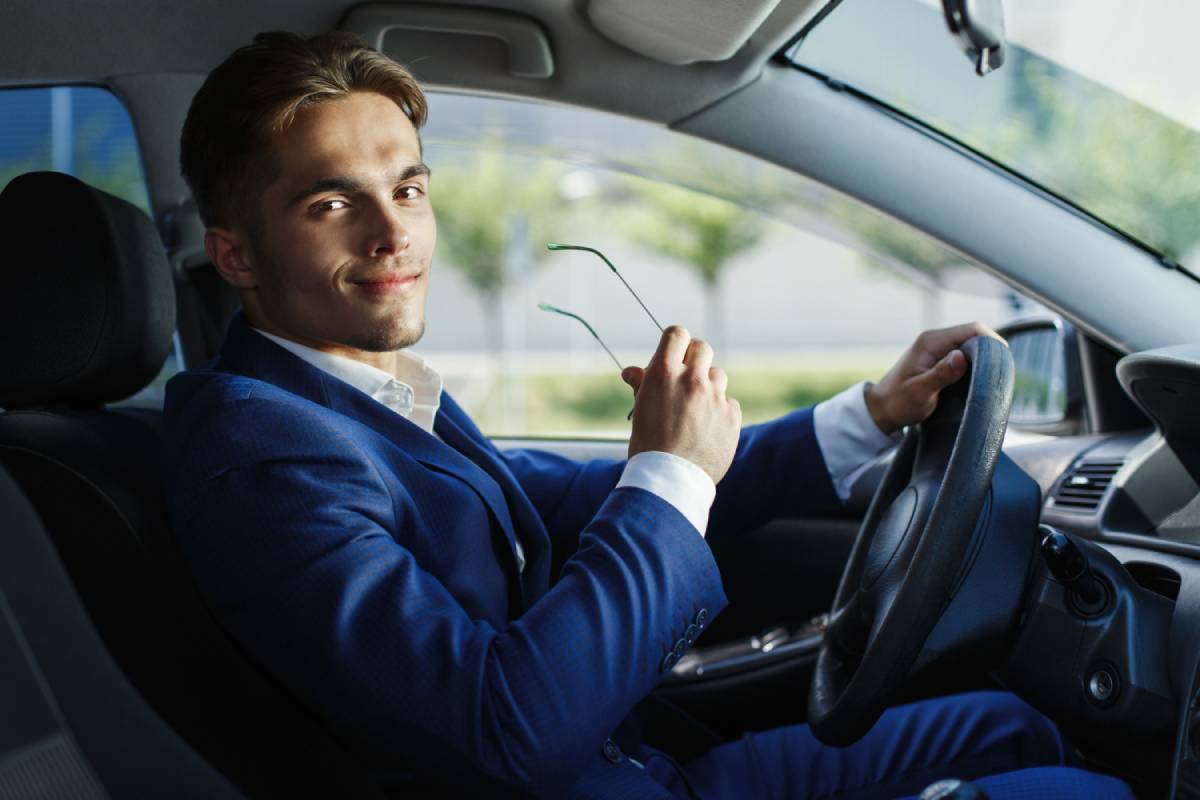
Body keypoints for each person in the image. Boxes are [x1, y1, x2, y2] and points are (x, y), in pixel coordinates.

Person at [161, 30, 1133, 800]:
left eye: (409, 187)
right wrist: (670, 476)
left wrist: (869, 413)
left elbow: (557, 498)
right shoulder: (259, 453)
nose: (394, 232)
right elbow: (509, 730)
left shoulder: (349, 391)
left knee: (1012, 726)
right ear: (237, 255)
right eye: (334, 203)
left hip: (638, 762)